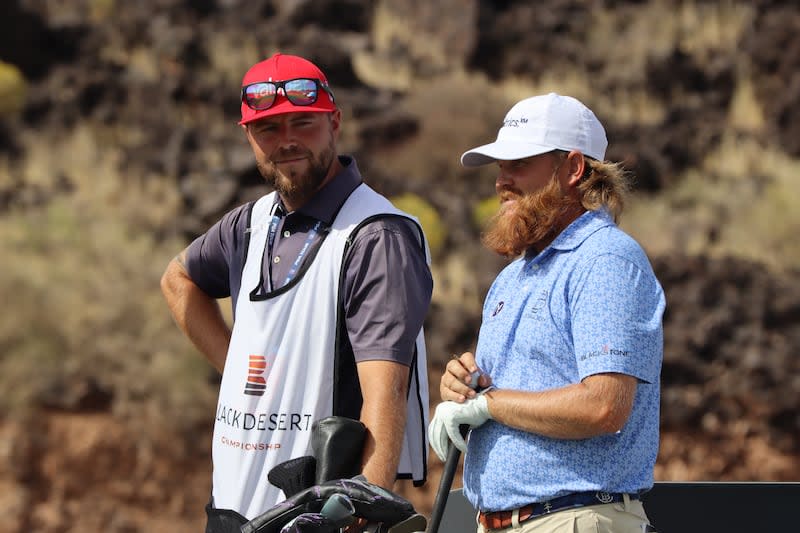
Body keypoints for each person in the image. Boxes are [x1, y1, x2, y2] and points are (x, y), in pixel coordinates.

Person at [160, 53, 432, 530]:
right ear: (248, 137)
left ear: (335, 123)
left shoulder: (375, 234)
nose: (286, 142)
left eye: (302, 123)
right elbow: (177, 281)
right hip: (230, 508)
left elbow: (385, 392)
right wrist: (241, 375)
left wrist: (361, 508)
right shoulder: (249, 223)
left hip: (316, 517)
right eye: (267, 129)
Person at [428, 93, 665, 533]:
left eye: (518, 164)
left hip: (574, 518)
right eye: (500, 167)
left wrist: (488, 405)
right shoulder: (512, 276)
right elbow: (512, 390)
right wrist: (465, 385)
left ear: (573, 169)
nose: (502, 181)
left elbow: (603, 407)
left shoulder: (606, 259)